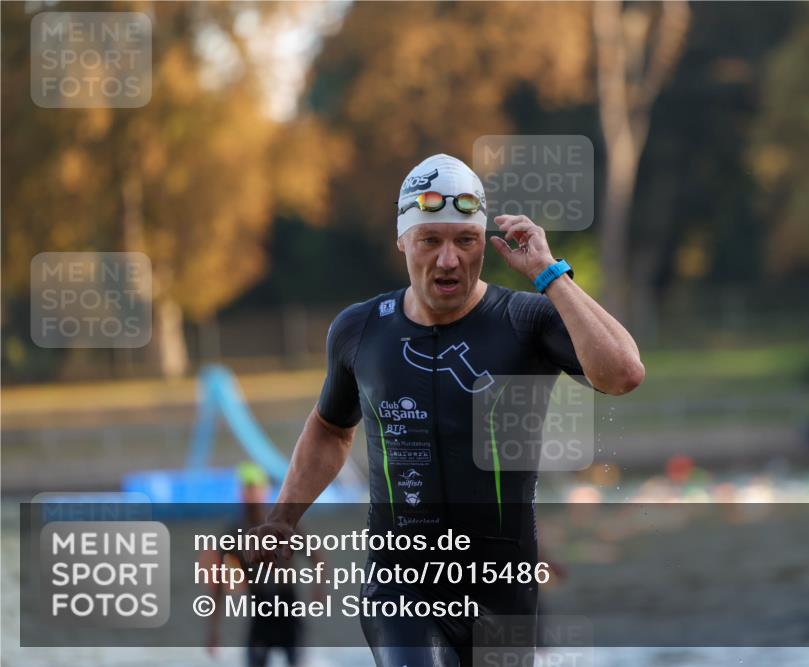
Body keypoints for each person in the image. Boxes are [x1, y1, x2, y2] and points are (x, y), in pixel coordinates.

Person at [246, 153, 644, 665]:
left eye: (465, 241)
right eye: (430, 240)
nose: (449, 259)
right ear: (403, 242)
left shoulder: (524, 320)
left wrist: (551, 275)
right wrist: (284, 516)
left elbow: (623, 374)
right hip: (400, 588)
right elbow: (330, 428)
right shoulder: (361, 330)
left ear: (484, 244)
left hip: (504, 594)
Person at [206, 462, 322, 667]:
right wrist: (214, 630)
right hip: (260, 611)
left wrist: (319, 591)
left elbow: (318, 557)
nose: (251, 493)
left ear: (265, 490)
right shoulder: (234, 533)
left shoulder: (283, 524)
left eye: (255, 487)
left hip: (289, 611)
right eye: (246, 488)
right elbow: (219, 584)